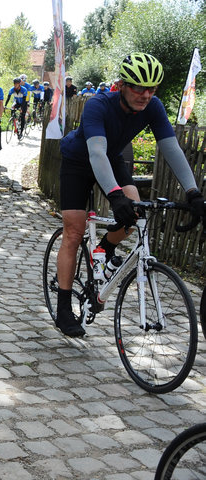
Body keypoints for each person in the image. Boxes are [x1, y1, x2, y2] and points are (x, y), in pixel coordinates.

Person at [55, 53, 205, 337]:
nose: (145, 95)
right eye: (138, 87)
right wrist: (114, 195)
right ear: (122, 85)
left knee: (135, 214)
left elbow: (171, 148)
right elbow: (95, 152)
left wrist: (193, 192)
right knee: (73, 233)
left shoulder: (153, 107)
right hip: (78, 161)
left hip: (111, 159)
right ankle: (64, 306)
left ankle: (105, 249)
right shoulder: (98, 104)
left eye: (152, 89)